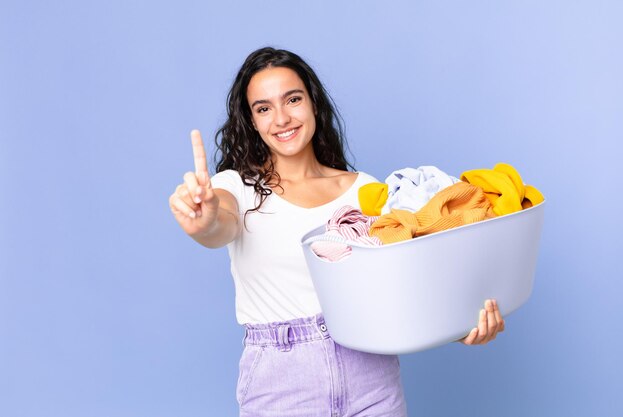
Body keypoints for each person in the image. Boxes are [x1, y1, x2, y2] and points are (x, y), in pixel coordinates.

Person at [169, 47, 505, 417]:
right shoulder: (236, 187)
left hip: (371, 377)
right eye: (263, 108)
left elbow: (400, 289)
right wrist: (204, 219)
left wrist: (461, 327)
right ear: (251, 121)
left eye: (292, 99)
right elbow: (219, 226)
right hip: (281, 381)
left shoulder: (365, 190)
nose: (281, 118)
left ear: (313, 103)